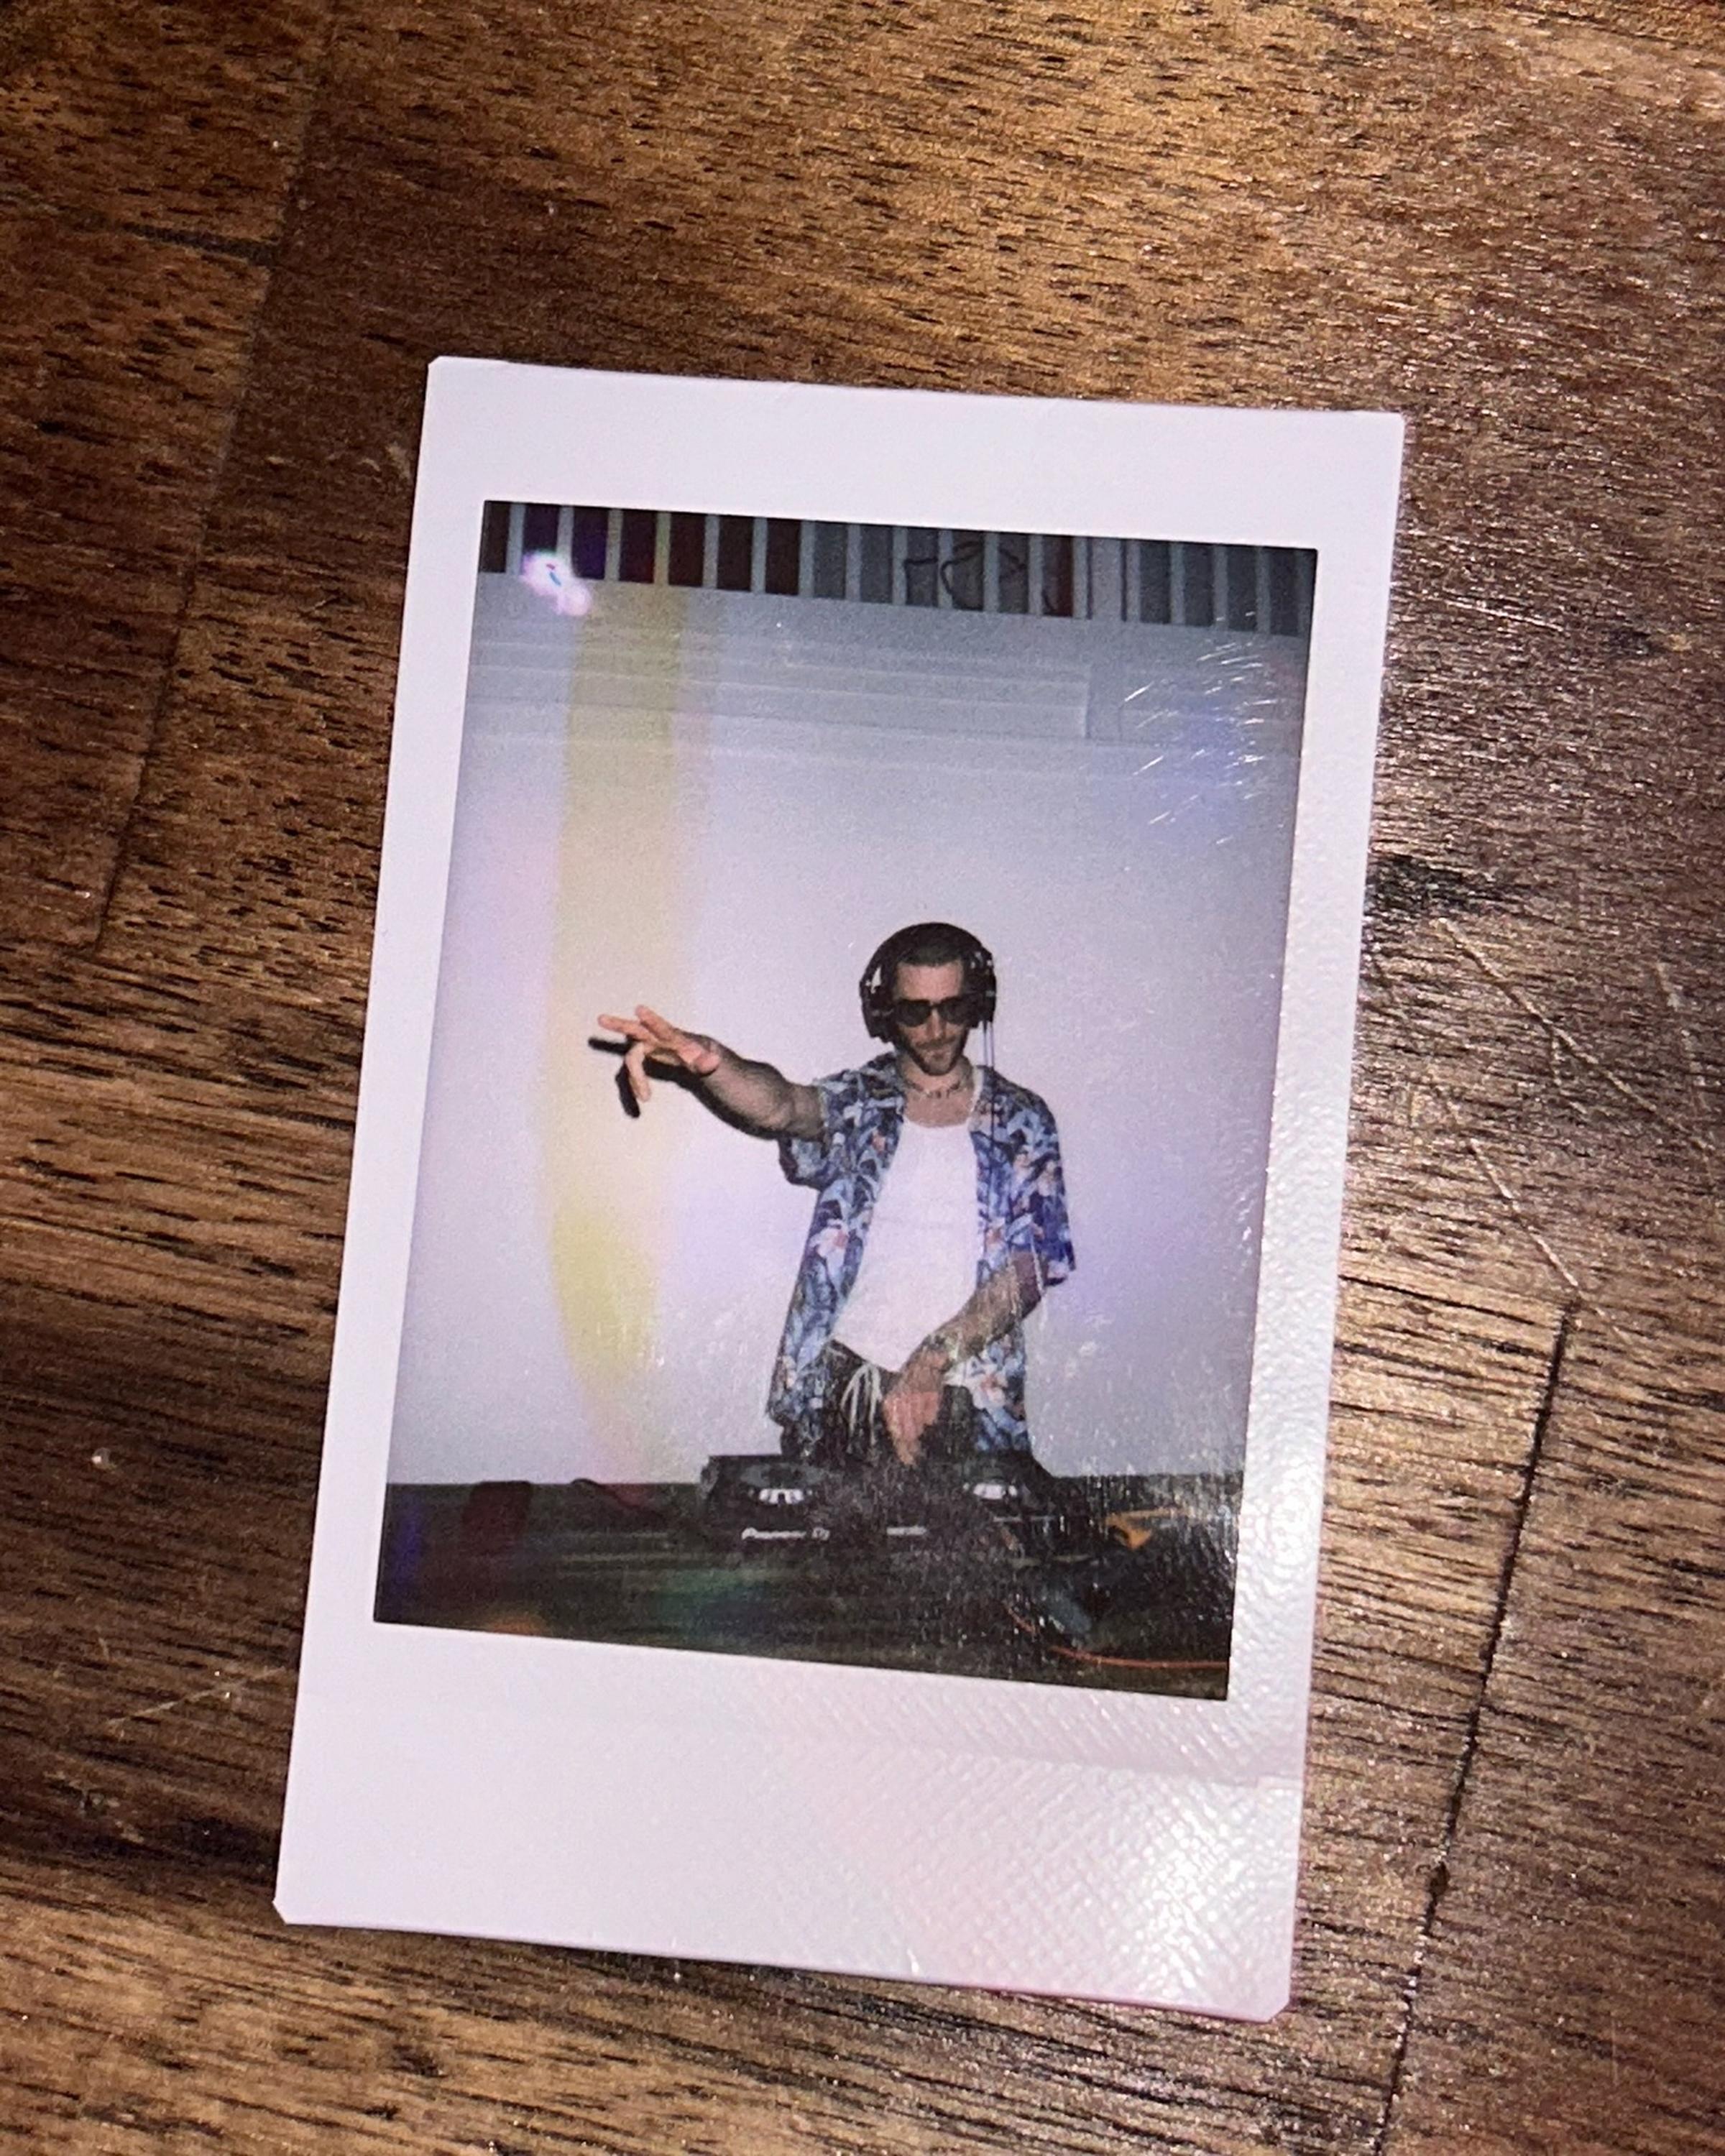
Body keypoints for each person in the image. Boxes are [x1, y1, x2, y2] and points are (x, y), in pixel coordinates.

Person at [597, 923, 1073, 1475]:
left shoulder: (1023, 1120)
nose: (938, 1029)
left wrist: (932, 1358)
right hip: (845, 1392)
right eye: (915, 1012)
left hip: (968, 1390)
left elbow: (1031, 1264)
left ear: (980, 1003)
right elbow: (783, 1106)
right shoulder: (858, 1101)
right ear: (885, 1014)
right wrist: (712, 1062)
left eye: (954, 1007)